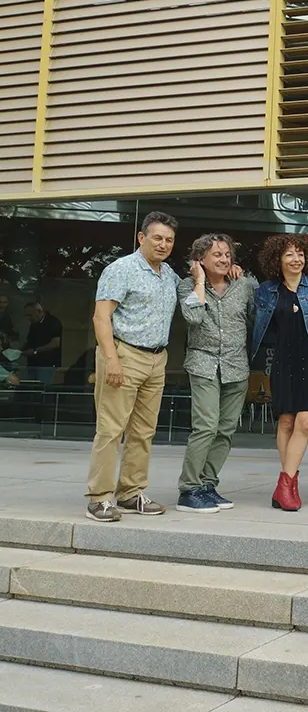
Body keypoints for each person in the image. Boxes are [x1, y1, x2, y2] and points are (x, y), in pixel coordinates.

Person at [85, 211, 181, 522]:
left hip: (157, 358)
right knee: (111, 429)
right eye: (157, 238)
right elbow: (101, 317)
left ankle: (130, 493)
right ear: (141, 237)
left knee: (143, 431)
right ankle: (99, 499)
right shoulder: (121, 269)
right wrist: (111, 359)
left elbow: (194, 289)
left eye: (169, 240)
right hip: (123, 354)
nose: (163, 244)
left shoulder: (169, 274)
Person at [251, 234, 308, 511]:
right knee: (286, 422)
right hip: (283, 361)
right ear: (277, 259)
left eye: (300, 254)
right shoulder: (266, 291)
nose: (296, 259)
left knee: (305, 422)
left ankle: (285, 485)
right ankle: (288, 486)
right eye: (289, 254)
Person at [175, 234, 256, 514]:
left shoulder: (245, 285)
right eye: (217, 255)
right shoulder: (186, 285)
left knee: (225, 430)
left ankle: (207, 485)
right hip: (204, 364)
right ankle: (189, 489)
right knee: (206, 426)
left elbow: (257, 317)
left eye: (227, 255)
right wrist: (199, 281)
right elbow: (194, 317)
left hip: (236, 366)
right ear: (200, 260)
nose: (224, 259)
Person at [22, 302, 63, 386]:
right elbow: (30, 341)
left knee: (42, 387)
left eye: (30, 315)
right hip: (33, 363)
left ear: (39, 311)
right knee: (29, 386)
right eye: (27, 316)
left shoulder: (53, 323)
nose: (28, 318)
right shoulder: (34, 324)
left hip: (47, 363)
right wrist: (18, 351)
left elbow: (55, 344)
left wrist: (35, 351)